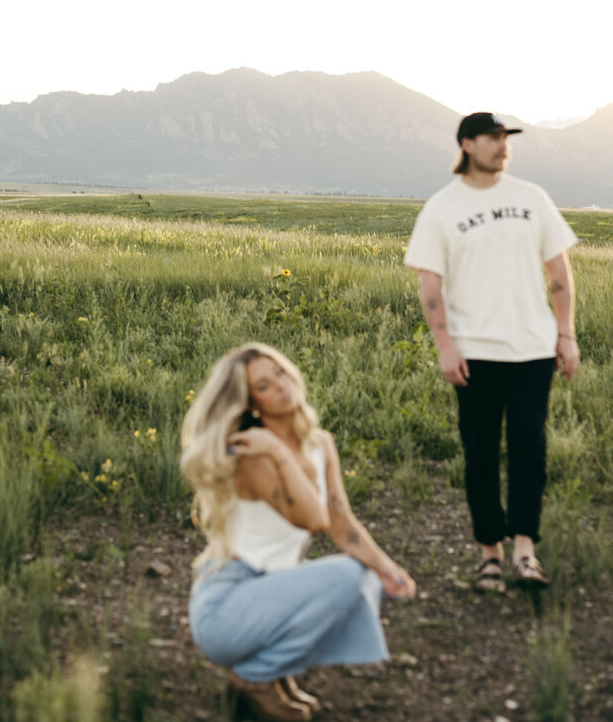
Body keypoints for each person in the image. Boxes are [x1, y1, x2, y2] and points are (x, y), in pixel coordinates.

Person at [181, 342, 416, 721]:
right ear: (250, 402)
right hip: (227, 602)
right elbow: (313, 520)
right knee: (348, 574)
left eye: (280, 372)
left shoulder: (320, 444)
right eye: (264, 385)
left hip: (268, 592)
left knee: (366, 578)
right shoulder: (252, 454)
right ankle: (253, 677)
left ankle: (274, 673)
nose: (281, 384)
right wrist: (276, 450)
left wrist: (387, 568)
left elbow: (340, 520)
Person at [404, 111, 579, 593]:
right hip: (474, 352)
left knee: (530, 450)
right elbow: (429, 284)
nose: (502, 145)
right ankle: (489, 555)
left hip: (532, 350)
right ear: (466, 144)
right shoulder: (442, 207)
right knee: (479, 453)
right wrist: (444, 345)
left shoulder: (532, 198)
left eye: (506, 137)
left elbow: (559, 272)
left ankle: (526, 552)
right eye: (492, 137)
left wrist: (566, 334)